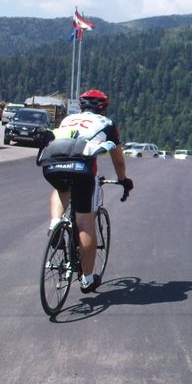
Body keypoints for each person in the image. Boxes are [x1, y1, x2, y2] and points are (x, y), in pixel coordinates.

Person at [37, 89, 133, 294]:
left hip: (51, 164)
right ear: (104, 108)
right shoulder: (107, 124)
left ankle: (56, 222)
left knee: (62, 188)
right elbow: (118, 160)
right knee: (85, 223)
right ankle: (87, 280)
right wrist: (123, 180)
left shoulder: (68, 120)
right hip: (82, 169)